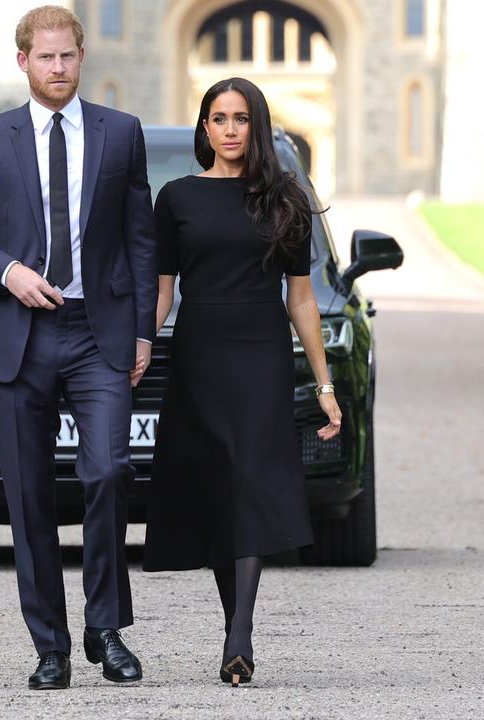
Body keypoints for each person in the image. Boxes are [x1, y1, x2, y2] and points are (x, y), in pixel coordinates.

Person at [0, 5, 156, 690]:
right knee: (27, 496)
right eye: (45, 57)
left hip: (99, 333)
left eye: (67, 56)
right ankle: (50, 647)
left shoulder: (120, 133)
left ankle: (105, 627)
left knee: (106, 472)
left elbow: (139, 236)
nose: (57, 68)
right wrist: (6, 270)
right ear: (23, 62)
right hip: (19, 334)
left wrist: (145, 328)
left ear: (81, 57)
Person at [143, 77, 342, 686]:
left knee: (251, 479)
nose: (229, 129)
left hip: (260, 355)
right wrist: (139, 346)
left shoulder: (285, 197)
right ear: (204, 128)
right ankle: (236, 627)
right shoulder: (176, 198)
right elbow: (162, 291)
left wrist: (325, 387)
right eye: (217, 118)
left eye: (240, 118)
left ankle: (240, 633)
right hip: (199, 353)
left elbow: (302, 299)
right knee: (216, 486)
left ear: (256, 125)